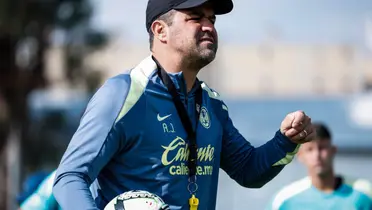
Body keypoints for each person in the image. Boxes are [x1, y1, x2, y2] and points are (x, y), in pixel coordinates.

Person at [52, 0, 315, 209]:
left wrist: (286, 141)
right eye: (195, 17)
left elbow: (248, 170)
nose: (209, 26)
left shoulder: (211, 104)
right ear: (160, 30)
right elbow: (70, 178)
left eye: (211, 19)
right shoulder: (123, 94)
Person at [267, 122, 372, 210]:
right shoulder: (284, 200)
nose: (317, 155)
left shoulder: (365, 193)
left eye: (322, 148)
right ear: (300, 156)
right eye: (309, 149)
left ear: (333, 151)